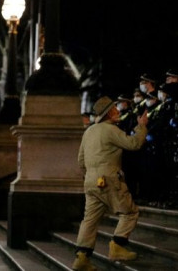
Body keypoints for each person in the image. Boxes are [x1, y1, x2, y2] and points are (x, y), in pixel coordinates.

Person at [71, 96, 149, 270]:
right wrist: (142, 126)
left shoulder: (89, 131)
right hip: (108, 179)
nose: (117, 111)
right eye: (114, 109)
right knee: (129, 212)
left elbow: (80, 160)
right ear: (108, 113)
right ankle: (118, 246)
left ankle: (81, 257)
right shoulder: (110, 130)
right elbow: (134, 143)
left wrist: (90, 175)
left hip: (90, 181)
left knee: (89, 220)